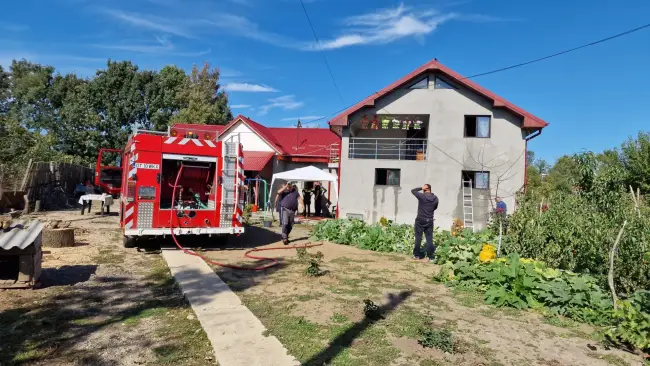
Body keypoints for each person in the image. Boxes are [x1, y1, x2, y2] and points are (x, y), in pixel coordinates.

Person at [411, 184, 439, 261]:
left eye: (423, 187)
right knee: (429, 239)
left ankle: (417, 255)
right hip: (429, 220)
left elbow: (413, 191)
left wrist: (420, 188)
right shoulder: (436, 198)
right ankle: (430, 257)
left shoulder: (422, 196)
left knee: (418, 238)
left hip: (420, 220)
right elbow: (435, 208)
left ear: (425, 188)